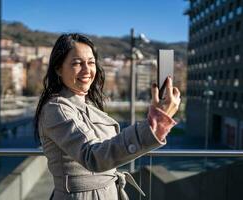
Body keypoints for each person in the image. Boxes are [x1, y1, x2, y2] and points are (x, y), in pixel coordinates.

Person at [34, 33, 181, 200]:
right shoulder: (56, 108)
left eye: (91, 62)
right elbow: (93, 156)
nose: (87, 70)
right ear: (58, 69)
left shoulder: (87, 104)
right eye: (77, 63)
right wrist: (154, 124)